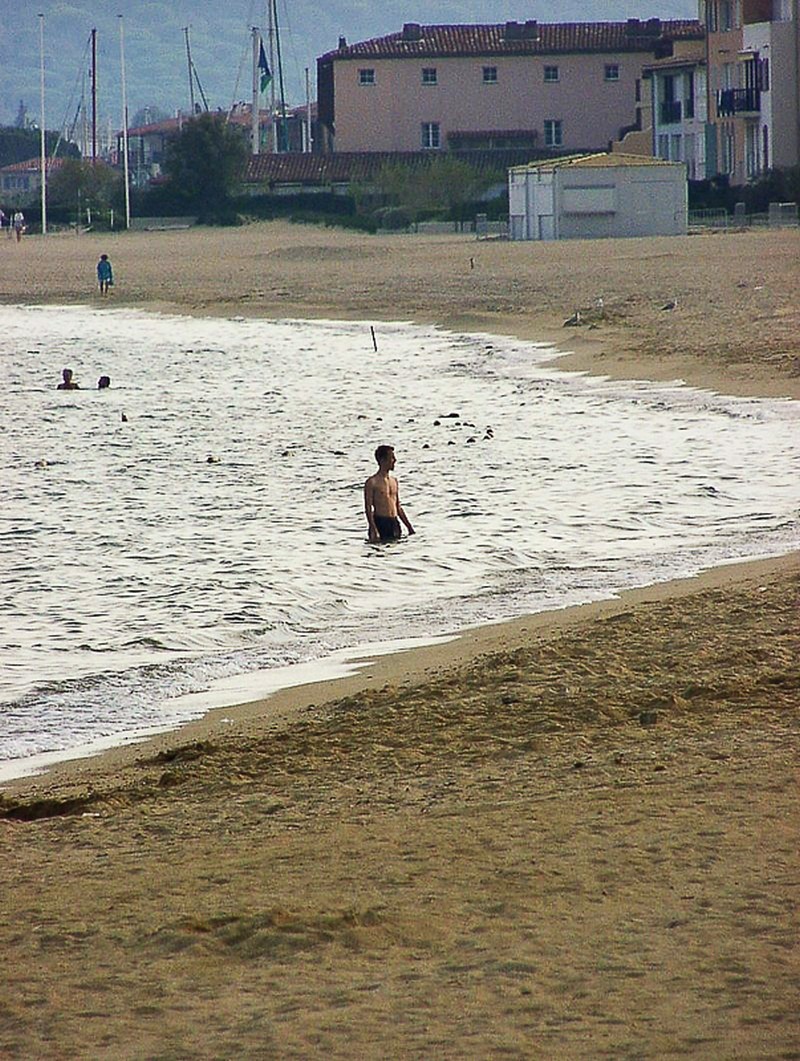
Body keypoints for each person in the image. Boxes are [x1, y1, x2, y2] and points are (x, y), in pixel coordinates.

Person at [364, 444, 415, 543]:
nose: (395, 460)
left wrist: (409, 527)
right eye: (392, 458)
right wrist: (373, 528)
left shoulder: (394, 481)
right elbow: (368, 508)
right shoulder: (372, 482)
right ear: (382, 460)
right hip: (380, 522)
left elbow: (398, 507)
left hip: (394, 522)